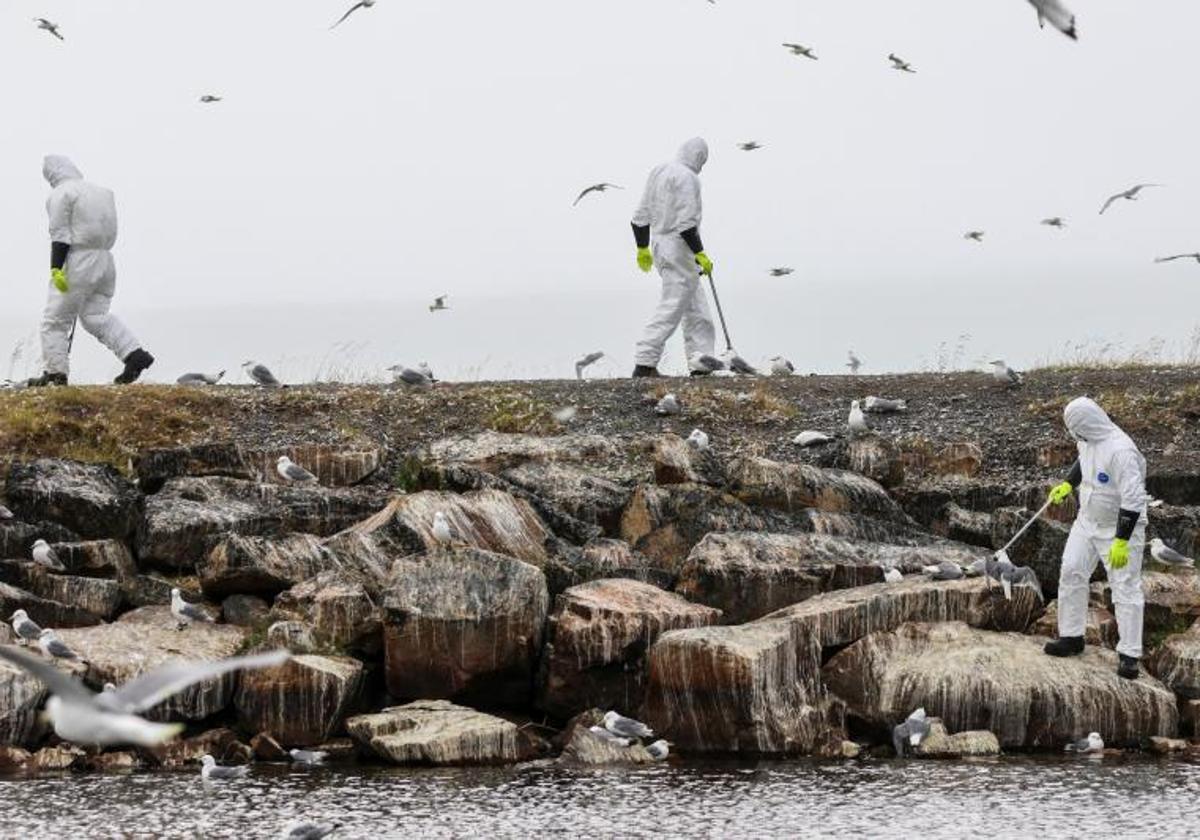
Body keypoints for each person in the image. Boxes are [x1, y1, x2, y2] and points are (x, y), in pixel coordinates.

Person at [1044, 397, 1146, 679]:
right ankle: (1072, 637)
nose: (1074, 434)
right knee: (1072, 570)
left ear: (1087, 422)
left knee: (1125, 586)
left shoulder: (1121, 451)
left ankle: (1130, 654)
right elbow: (1083, 461)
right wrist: (1067, 483)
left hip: (1119, 527)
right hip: (1087, 520)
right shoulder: (1087, 437)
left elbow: (1134, 498)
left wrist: (1122, 539)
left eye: (1075, 428)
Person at [29, 155, 154, 387]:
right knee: (95, 316)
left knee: (54, 320)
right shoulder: (103, 193)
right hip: (106, 261)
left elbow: (60, 234)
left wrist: (56, 268)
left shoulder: (61, 193)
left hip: (78, 261)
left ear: (52, 174)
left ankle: (55, 374)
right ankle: (135, 354)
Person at [629, 137, 716, 378]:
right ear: (699, 156)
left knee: (697, 307)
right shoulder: (689, 178)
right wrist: (699, 252)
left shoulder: (659, 171)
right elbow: (687, 224)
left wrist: (642, 247)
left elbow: (639, 215)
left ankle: (702, 361)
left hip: (660, 244)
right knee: (673, 304)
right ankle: (644, 362)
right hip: (679, 247)